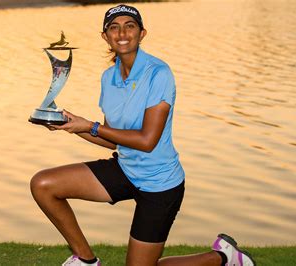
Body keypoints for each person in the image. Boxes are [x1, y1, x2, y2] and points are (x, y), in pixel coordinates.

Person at [30, 4, 256, 266]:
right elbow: (112, 138)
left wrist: (89, 125)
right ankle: (86, 261)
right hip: (126, 169)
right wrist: (71, 126)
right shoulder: (108, 77)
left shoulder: (159, 73)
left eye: (130, 26)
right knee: (44, 185)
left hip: (160, 184)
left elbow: (147, 141)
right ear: (105, 36)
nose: (122, 33)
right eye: (114, 27)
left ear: (142, 33)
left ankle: (223, 258)